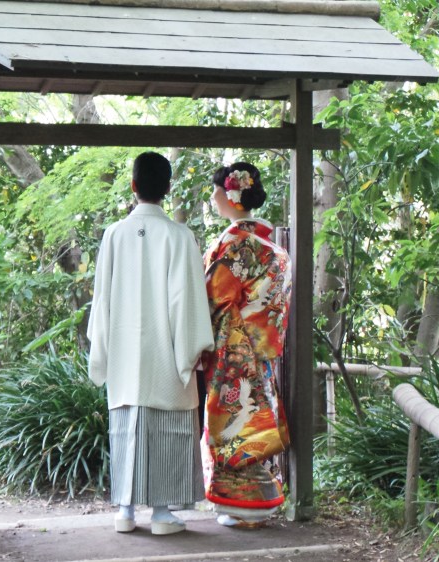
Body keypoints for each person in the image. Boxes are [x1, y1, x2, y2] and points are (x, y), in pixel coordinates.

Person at [87, 151, 214, 535]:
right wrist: (190, 351)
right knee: (170, 429)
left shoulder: (114, 234)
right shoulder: (180, 236)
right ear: (168, 188)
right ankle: (161, 513)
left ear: (133, 185)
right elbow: (187, 300)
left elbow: (103, 298)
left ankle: (124, 511)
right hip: (166, 349)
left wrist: (104, 346)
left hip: (125, 352)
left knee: (126, 427)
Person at [200, 162, 292, 528]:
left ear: (232, 196)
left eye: (217, 191)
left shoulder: (232, 246)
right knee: (259, 418)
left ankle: (240, 509)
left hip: (231, 352)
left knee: (233, 425)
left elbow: (210, 297)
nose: (213, 197)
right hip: (262, 352)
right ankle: (264, 502)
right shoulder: (273, 250)